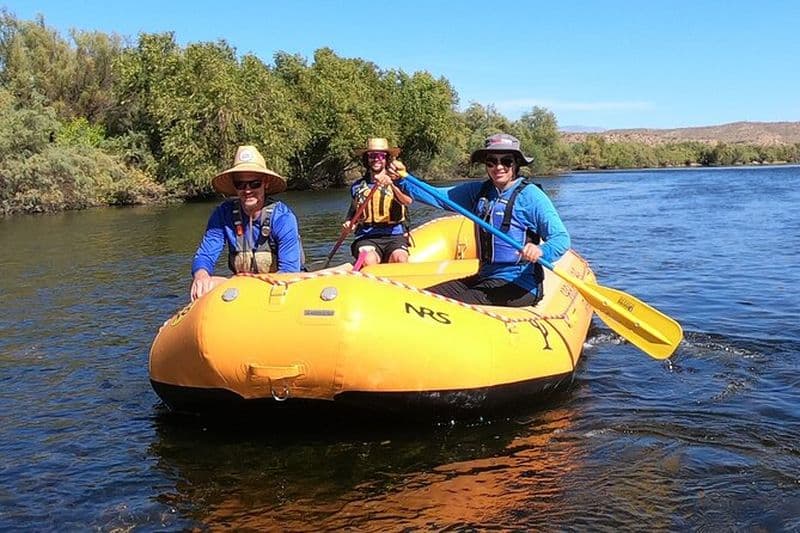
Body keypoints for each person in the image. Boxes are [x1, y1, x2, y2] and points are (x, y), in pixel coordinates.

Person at [382, 133, 570, 307]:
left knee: (449, 306)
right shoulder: (478, 192)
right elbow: (435, 196)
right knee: (419, 299)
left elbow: (561, 239)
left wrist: (540, 250)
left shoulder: (532, 196)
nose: (498, 167)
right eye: (491, 162)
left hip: (519, 284)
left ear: (516, 164)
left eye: (506, 161)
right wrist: (402, 180)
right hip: (485, 277)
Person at [190, 145, 304, 301]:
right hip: (243, 292)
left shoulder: (283, 218)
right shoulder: (222, 214)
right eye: (240, 184)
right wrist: (201, 275)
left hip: (281, 292)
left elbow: (289, 272)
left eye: (254, 183)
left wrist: (236, 287)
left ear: (266, 183)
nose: (247, 190)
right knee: (205, 284)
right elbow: (205, 255)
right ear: (234, 187)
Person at [342, 137, 413, 266]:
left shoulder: (399, 182)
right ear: (367, 159)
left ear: (386, 159)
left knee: (400, 259)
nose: (376, 159)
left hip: (394, 236)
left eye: (381, 156)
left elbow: (407, 201)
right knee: (369, 260)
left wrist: (391, 185)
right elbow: (352, 214)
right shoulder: (357, 187)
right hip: (367, 238)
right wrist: (349, 224)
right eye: (372, 156)